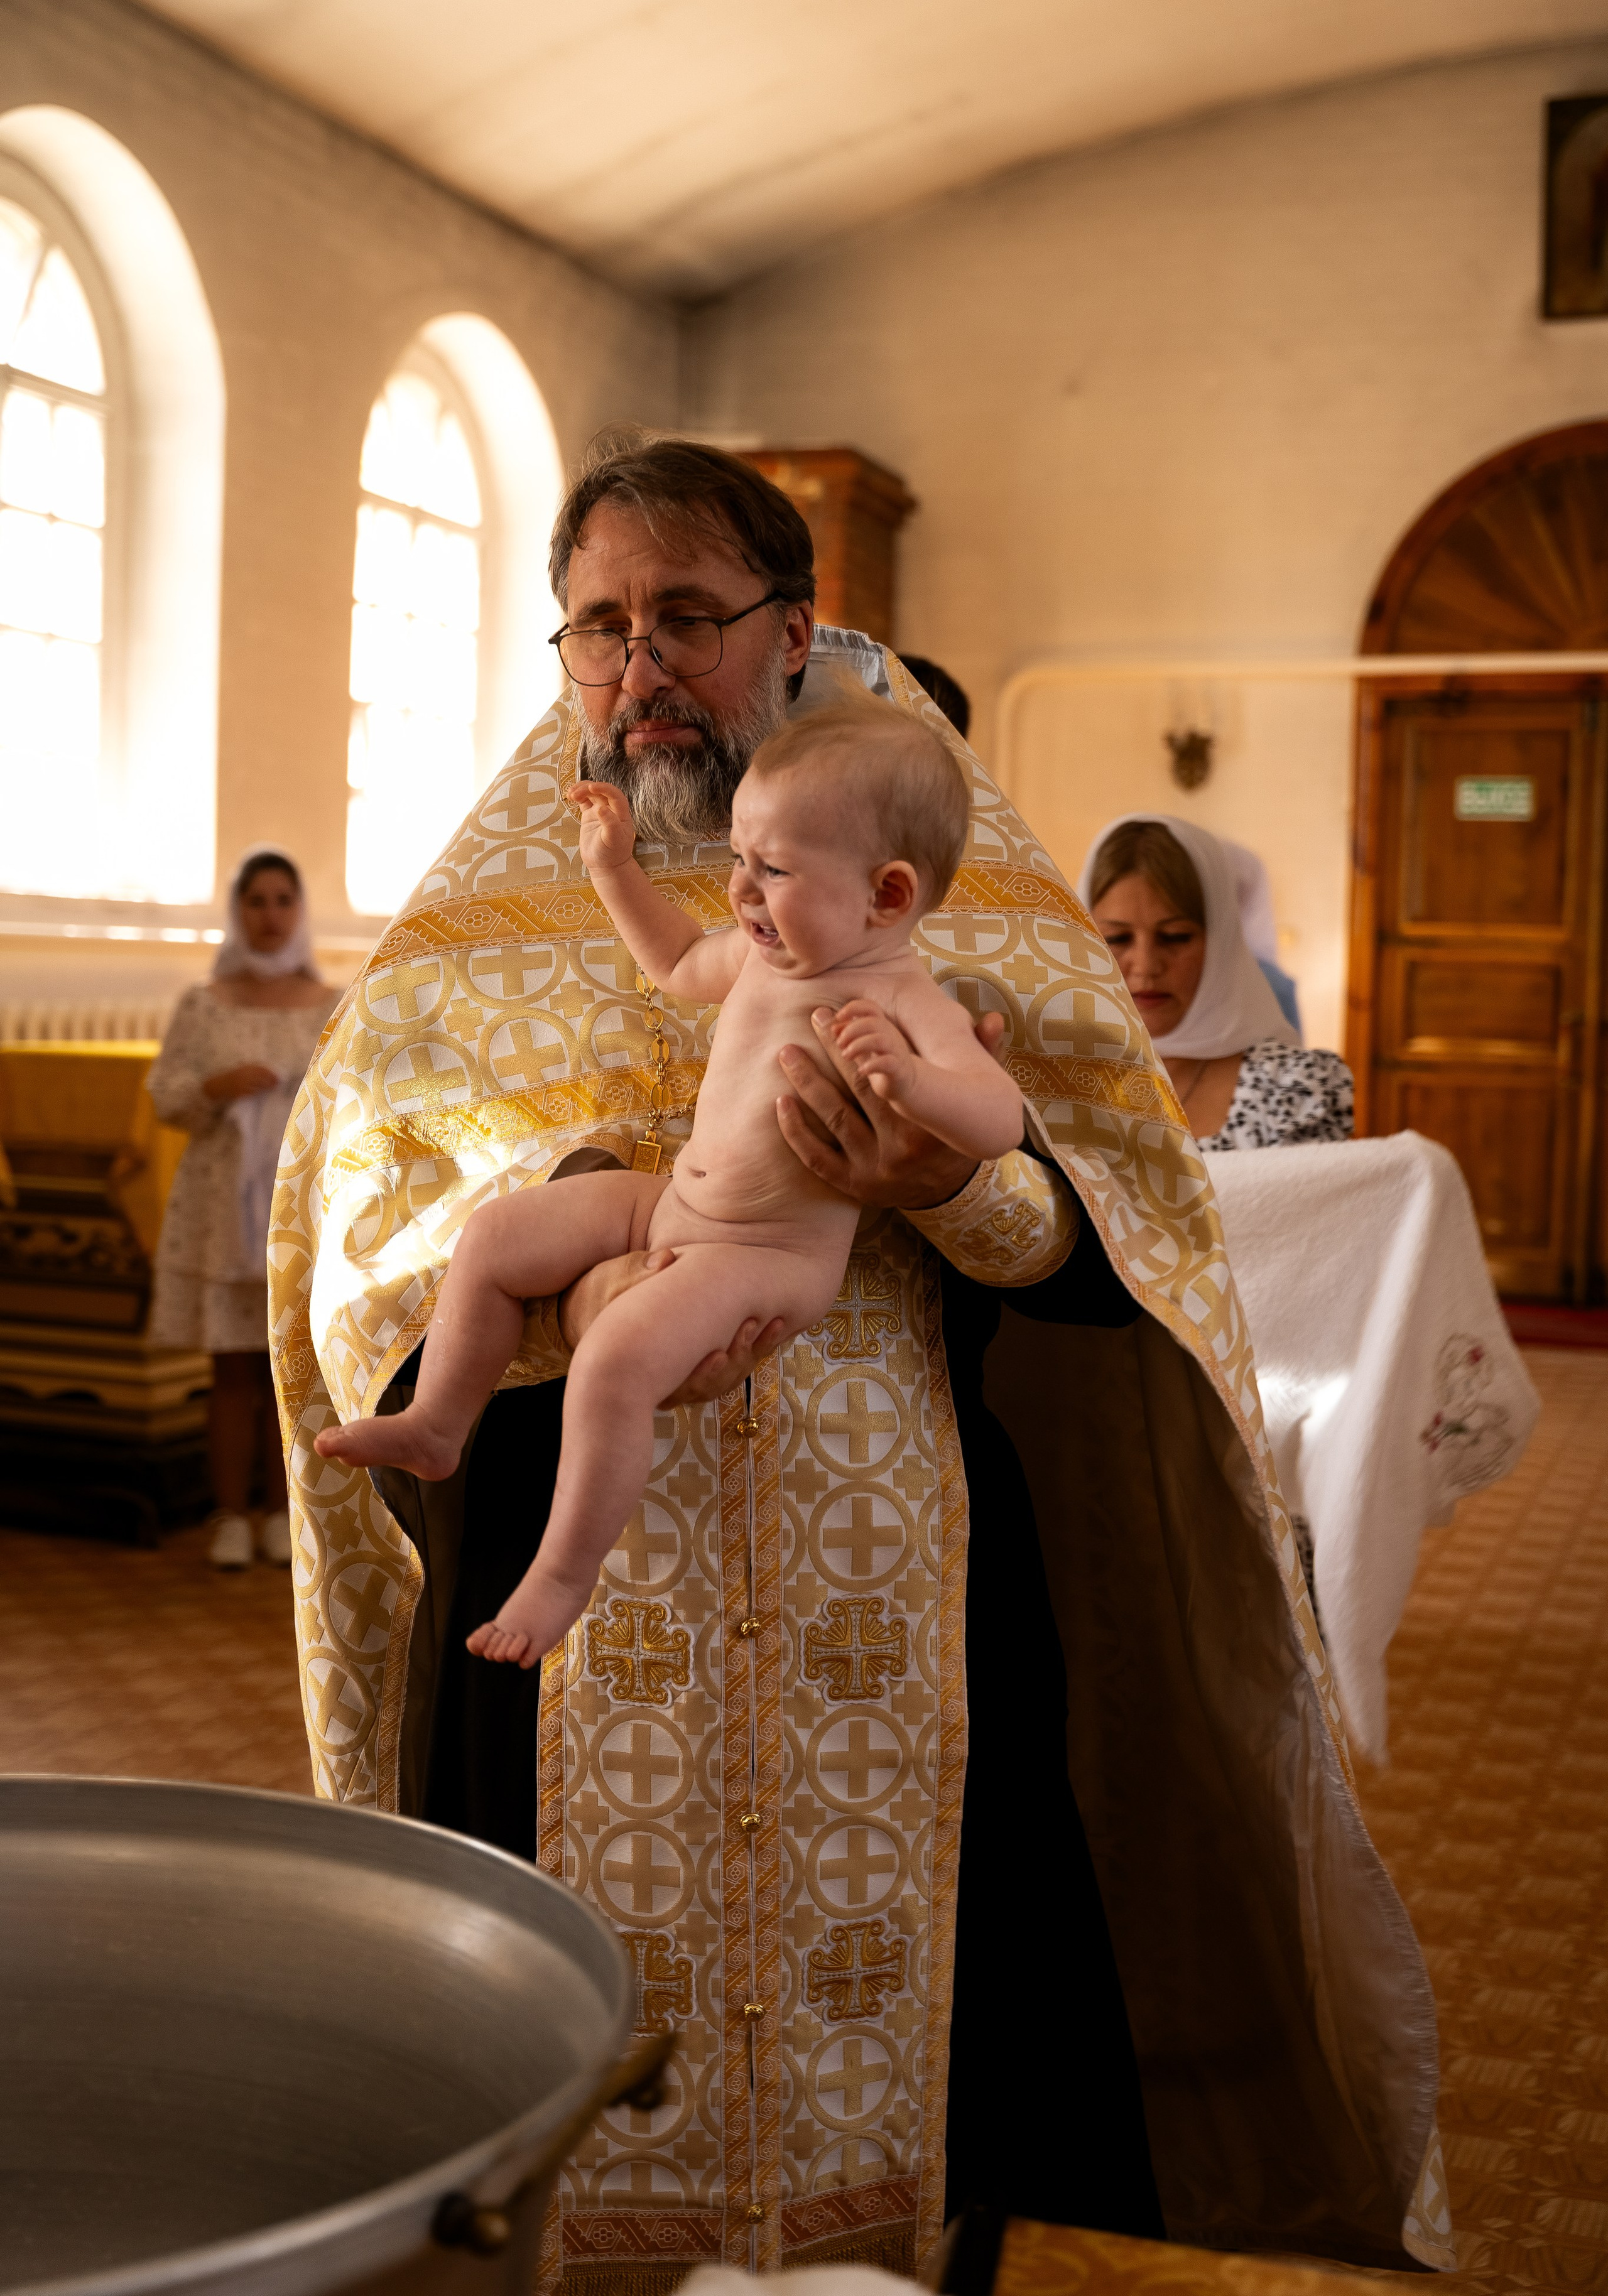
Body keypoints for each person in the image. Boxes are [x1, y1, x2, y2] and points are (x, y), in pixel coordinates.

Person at [271, 436, 1447, 2282]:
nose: (635, 664)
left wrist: (954, 1186)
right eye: (596, 625)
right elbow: (352, 1243)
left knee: (900, 1982)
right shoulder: (466, 935)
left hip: (877, 1536)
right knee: (549, 2029)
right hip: (560, 1543)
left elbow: (1119, 1229)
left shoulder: (939, 884)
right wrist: (578, 1232)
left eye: (682, 616)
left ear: (791, 626)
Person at [313, 700, 1021, 1664]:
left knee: (614, 1360)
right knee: (497, 1238)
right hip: (678, 1201)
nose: (741, 892)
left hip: (766, 1254)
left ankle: (561, 1577)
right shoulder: (770, 956)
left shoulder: (898, 995)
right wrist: (613, 869)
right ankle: (439, 1422)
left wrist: (915, 1083)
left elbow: (1001, 1117)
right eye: (740, 860)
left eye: (772, 871)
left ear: (887, 897)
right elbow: (680, 959)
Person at [148, 848, 337, 1569]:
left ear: (299, 910)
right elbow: (167, 1094)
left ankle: (285, 1514)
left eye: (281, 901)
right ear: (237, 911)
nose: (269, 915)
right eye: (255, 901)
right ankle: (230, 1513)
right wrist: (217, 1085)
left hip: (298, 1208)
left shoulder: (329, 1003)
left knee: (289, 1368)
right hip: (222, 1207)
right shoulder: (205, 1003)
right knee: (232, 1365)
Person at [1081, 813, 1353, 1151]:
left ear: (1221, 942)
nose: (1146, 967)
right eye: (1118, 938)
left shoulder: (1295, 1089)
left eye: (1175, 937)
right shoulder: (1048, 1081)